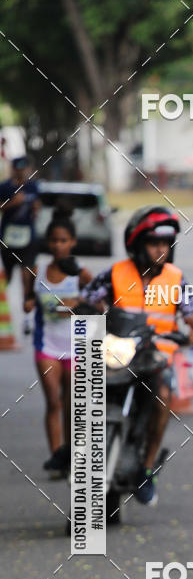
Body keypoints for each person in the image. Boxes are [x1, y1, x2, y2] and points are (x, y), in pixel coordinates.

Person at [84, 206, 193, 506]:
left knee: (162, 397)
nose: (161, 250)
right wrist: (80, 309)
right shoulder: (114, 274)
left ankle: (146, 468)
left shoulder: (177, 280)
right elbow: (88, 301)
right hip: (115, 355)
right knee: (75, 388)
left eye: (166, 244)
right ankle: (68, 450)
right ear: (137, 245)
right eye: (154, 243)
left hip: (155, 360)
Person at [23, 208, 92, 477]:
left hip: (76, 346)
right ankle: (56, 459)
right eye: (53, 240)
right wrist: (28, 303)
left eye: (63, 240)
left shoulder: (80, 273)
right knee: (53, 401)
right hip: (46, 347)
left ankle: (72, 456)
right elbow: (27, 302)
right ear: (48, 242)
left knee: (72, 402)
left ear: (72, 242)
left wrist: (79, 302)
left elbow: (100, 300)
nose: (58, 245)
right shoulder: (37, 270)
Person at [0, 156, 40, 299]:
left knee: (27, 273)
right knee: (7, 276)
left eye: (24, 168)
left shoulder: (33, 186)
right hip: (8, 237)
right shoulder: (4, 187)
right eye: (19, 168)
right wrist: (12, 203)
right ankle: (6, 307)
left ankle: (27, 304)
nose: (22, 171)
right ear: (14, 169)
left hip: (28, 237)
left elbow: (37, 206)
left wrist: (36, 209)